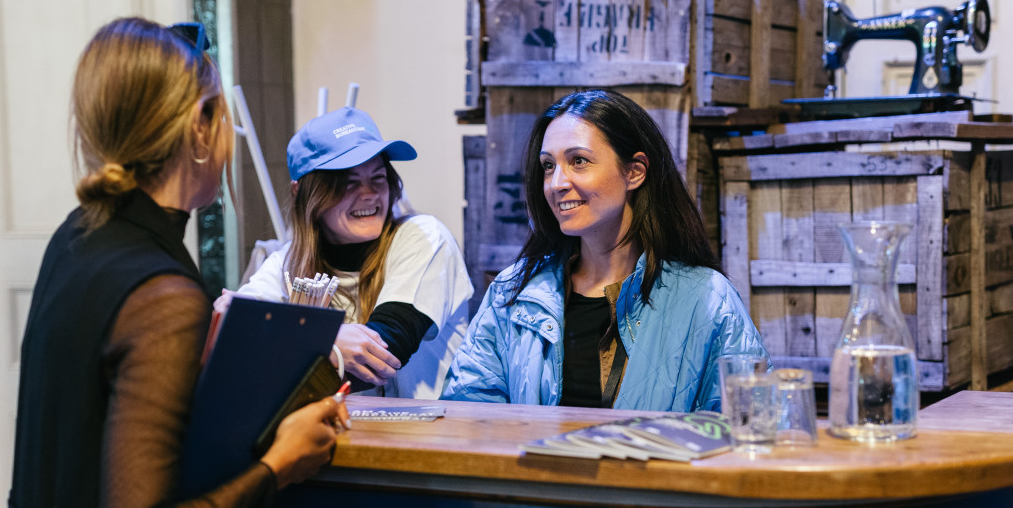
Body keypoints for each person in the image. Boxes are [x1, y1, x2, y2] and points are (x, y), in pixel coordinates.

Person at [0, 18, 345, 508]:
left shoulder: (80, 236)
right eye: (223, 116)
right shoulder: (160, 295)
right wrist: (280, 466)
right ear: (198, 130)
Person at [442, 89, 767, 412]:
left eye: (579, 161)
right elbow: (468, 416)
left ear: (635, 172)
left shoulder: (708, 299)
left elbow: (751, 425)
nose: (556, 183)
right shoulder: (512, 293)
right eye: (548, 165)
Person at [228, 106, 473, 399]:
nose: (369, 193)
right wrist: (330, 342)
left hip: (430, 437)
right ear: (303, 193)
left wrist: (305, 342)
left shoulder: (425, 237)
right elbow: (232, 339)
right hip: (335, 436)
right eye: (347, 182)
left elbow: (383, 354)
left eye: (378, 178)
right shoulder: (287, 263)